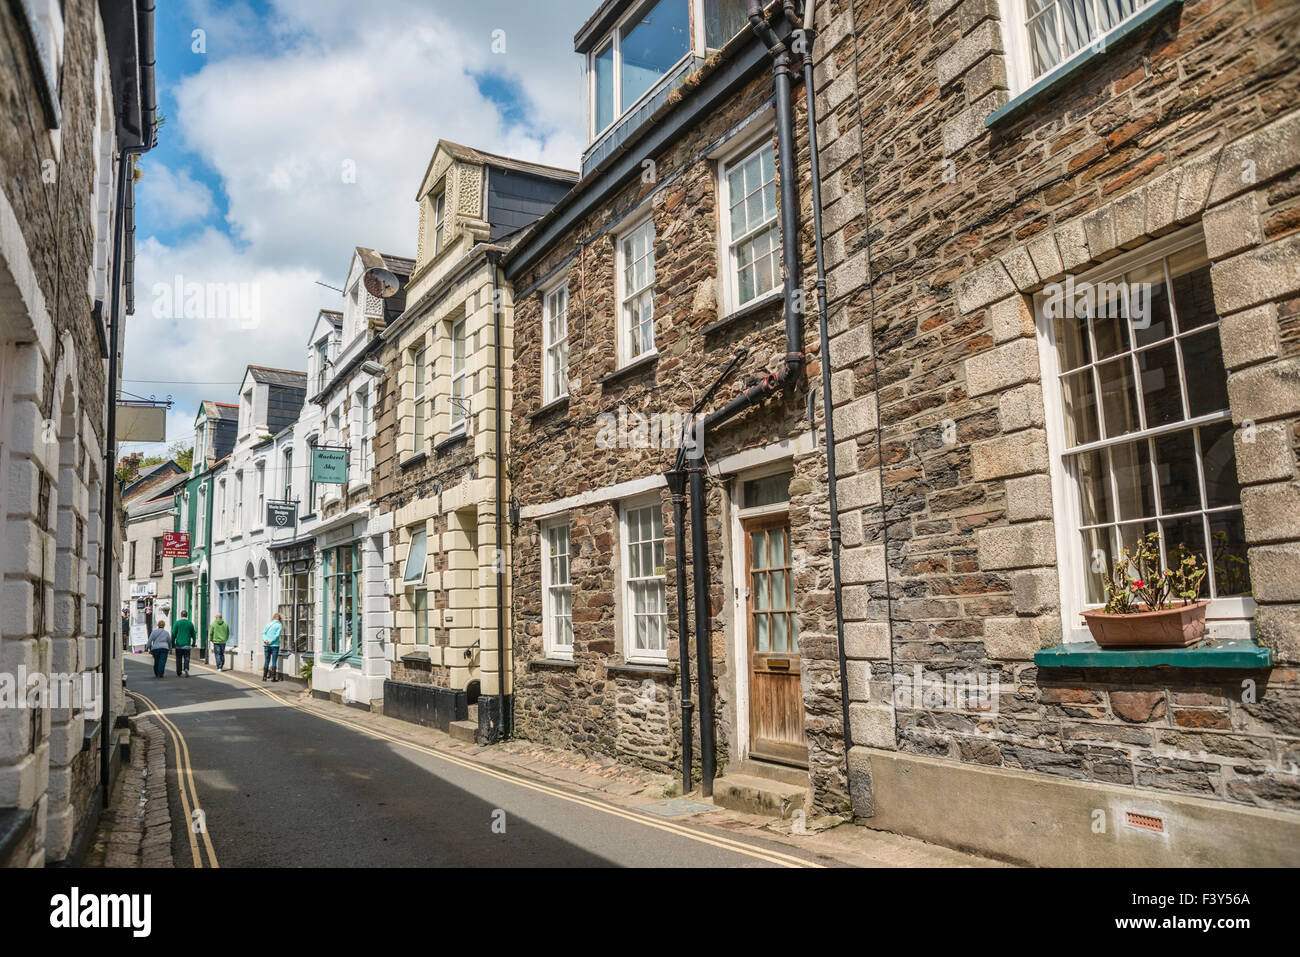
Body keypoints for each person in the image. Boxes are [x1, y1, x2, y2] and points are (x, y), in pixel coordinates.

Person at [172, 610, 197, 676]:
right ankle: (186, 668)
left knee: (179, 658)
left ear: (181, 615)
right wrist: (194, 643)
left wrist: (172, 643)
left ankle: (179, 671)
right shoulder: (190, 623)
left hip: (179, 644)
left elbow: (173, 634)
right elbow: (193, 634)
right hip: (187, 644)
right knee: (187, 658)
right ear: (187, 615)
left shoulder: (177, 623)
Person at [262, 612, 283, 682]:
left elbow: (263, 633)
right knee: (274, 661)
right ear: (279, 618)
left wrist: (266, 640)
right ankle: (273, 678)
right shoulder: (279, 625)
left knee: (267, 660)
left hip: (266, 645)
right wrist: (271, 641)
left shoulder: (268, 624)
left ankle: (264, 677)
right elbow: (277, 635)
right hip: (275, 645)